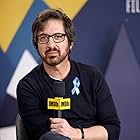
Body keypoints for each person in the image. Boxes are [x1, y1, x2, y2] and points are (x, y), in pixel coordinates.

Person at [16, 8, 120, 140]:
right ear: (36, 45)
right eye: (43, 38)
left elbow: (112, 129)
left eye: (58, 37)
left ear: (70, 43)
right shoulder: (28, 86)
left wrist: (77, 133)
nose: (51, 44)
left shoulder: (92, 76)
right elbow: (43, 136)